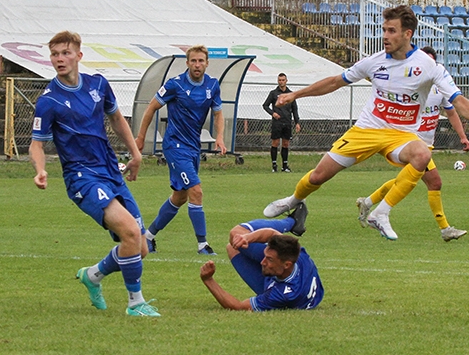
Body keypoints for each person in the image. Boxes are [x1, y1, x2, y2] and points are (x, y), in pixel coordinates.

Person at [262, 5, 469, 241]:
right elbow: (335, 81)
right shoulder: (374, 62)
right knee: (317, 177)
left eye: (391, 31)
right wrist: (295, 95)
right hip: (366, 130)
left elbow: (457, 100)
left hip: (401, 135)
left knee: (422, 154)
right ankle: (293, 200)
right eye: (384, 30)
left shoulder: (429, 66)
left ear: (407, 34)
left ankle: (381, 212)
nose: (385, 36)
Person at [30, 30, 159, 317]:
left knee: (140, 247)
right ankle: (136, 303)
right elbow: (36, 144)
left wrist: (135, 154)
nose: (59, 59)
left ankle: (93, 276)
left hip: (111, 171)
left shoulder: (98, 84)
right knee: (128, 231)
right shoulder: (49, 100)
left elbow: (115, 119)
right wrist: (40, 169)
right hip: (82, 178)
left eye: (65, 53)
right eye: (54, 54)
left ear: (79, 55)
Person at [356, 46, 469, 242]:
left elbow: (452, 113)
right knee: (435, 182)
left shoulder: (439, 88)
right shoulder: (409, 87)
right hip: (410, 144)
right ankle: (445, 229)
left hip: (427, 145)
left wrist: (462, 136)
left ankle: (367, 202)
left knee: (403, 181)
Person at [135, 45, 226, 255]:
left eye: (201, 61)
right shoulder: (175, 84)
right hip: (175, 146)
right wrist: (141, 138)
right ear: (187, 63)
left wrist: (219, 136)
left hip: (193, 147)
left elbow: (218, 113)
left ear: (207, 63)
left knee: (180, 197)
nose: (197, 64)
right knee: (196, 191)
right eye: (193, 61)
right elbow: (151, 107)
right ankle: (203, 245)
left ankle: (148, 237)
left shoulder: (212, 86)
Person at [198, 203, 323, 311]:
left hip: (283, 288)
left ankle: (291, 222)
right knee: (236, 240)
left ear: (287, 264)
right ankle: (292, 222)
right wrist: (247, 238)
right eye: (265, 256)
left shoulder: (280, 294)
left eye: (269, 259)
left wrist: (208, 280)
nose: (262, 262)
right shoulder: (298, 254)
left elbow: (239, 307)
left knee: (234, 239)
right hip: (291, 284)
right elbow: (272, 234)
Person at [262, 73, 301, 173]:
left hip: (287, 122)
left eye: (283, 80)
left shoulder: (290, 94)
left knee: (285, 144)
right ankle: (274, 165)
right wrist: (273, 113)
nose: (281, 82)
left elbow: (294, 109)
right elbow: (265, 105)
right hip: (277, 123)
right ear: (277, 81)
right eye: (279, 80)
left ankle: (285, 166)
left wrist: (297, 122)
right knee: (275, 143)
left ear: (286, 81)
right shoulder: (273, 93)